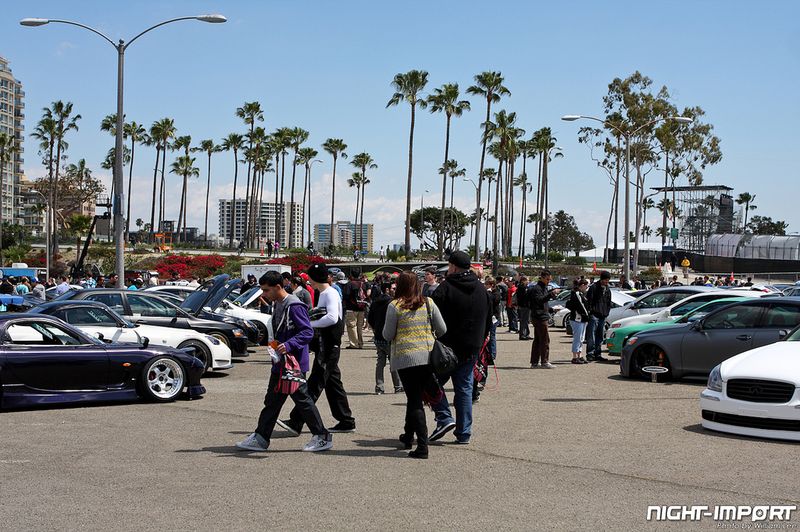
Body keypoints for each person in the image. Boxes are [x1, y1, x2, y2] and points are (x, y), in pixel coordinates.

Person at [235, 271, 332, 453]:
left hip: (292, 364)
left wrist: (288, 345)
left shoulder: (294, 305)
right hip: (282, 363)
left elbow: (307, 332)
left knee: (302, 401)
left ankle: (322, 436)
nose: (264, 294)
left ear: (278, 287)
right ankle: (261, 438)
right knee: (273, 401)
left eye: (266, 290)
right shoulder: (279, 304)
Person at [278, 262, 356, 435]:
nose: (309, 282)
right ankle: (346, 420)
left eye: (310, 279)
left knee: (315, 383)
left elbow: (332, 318)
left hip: (329, 345)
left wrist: (310, 324)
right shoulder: (325, 293)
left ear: (315, 278)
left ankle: (297, 420)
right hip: (328, 344)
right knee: (333, 384)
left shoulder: (329, 293)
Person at [429, 250, 492, 445]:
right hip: (472, 346)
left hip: (447, 347)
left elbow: (433, 318)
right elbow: (489, 319)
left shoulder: (445, 288)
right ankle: (464, 432)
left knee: (430, 382)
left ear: (453, 266)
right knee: (464, 388)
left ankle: (444, 417)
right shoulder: (482, 290)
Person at [383, 271, 446, 459]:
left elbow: (387, 334)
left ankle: (422, 446)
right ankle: (408, 435)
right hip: (427, 357)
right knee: (414, 397)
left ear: (400, 285)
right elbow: (442, 329)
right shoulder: (428, 303)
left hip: (405, 358)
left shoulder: (394, 306)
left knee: (414, 399)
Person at [367, 282, 402, 395]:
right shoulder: (393, 303)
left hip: (378, 336)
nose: (395, 290)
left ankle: (379, 386)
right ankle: (397, 386)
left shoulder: (375, 302)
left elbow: (370, 318)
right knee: (394, 363)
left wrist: (375, 329)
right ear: (387, 289)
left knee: (380, 363)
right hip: (390, 336)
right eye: (394, 288)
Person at [529, 270, 560, 369]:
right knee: (545, 339)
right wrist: (551, 294)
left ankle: (535, 362)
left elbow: (542, 303)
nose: (548, 281)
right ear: (542, 277)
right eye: (547, 279)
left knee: (538, 339)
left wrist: (551, 309)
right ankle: (544, 361)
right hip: (539, 317)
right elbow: (539, 300)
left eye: (549, 279)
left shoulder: (543, 287)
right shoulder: (537, 288)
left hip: (540, 315)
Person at [585, 271, 612, 362]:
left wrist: (606, 312)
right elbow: (589, 301)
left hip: (602, 315)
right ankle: (590, 353)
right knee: (591, 335)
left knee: (600, 335)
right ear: (601, 279)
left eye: (608, 280)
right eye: (605, 280)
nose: (606, 282)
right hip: (594, 314)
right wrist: (591, 312)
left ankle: (598, 353)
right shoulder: (594, 287)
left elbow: (609, 302)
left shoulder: (608, 289)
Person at [343, 269, 368, 349]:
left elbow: (346, 295)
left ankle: (354, 344)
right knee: (359, 326)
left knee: (351, 326)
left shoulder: (349, 284)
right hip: (361, 307)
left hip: (351, 308)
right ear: (360, 274)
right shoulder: (363, 284)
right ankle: (360, 343)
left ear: (351, 275)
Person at [566, 279, 590, 364]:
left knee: (581, 338)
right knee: (577, 338)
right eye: (586, 285)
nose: (587, 287)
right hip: (577, 319)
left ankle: (579, 355)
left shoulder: (581, 294)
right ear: (582, 285)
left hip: (582, 319)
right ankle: (574, 357)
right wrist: (587, 315)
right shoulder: (576, 294)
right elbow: (581, 306)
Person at [515, 276, 531, 340]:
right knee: (523, 321)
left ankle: (526, 333)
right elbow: (524, 297)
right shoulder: (522, 288)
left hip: (525, 306)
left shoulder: (523, 287)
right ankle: (522, 334)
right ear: (523, 281)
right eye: (527, 280)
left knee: (526, 321)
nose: (528, 281)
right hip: (524, 306)